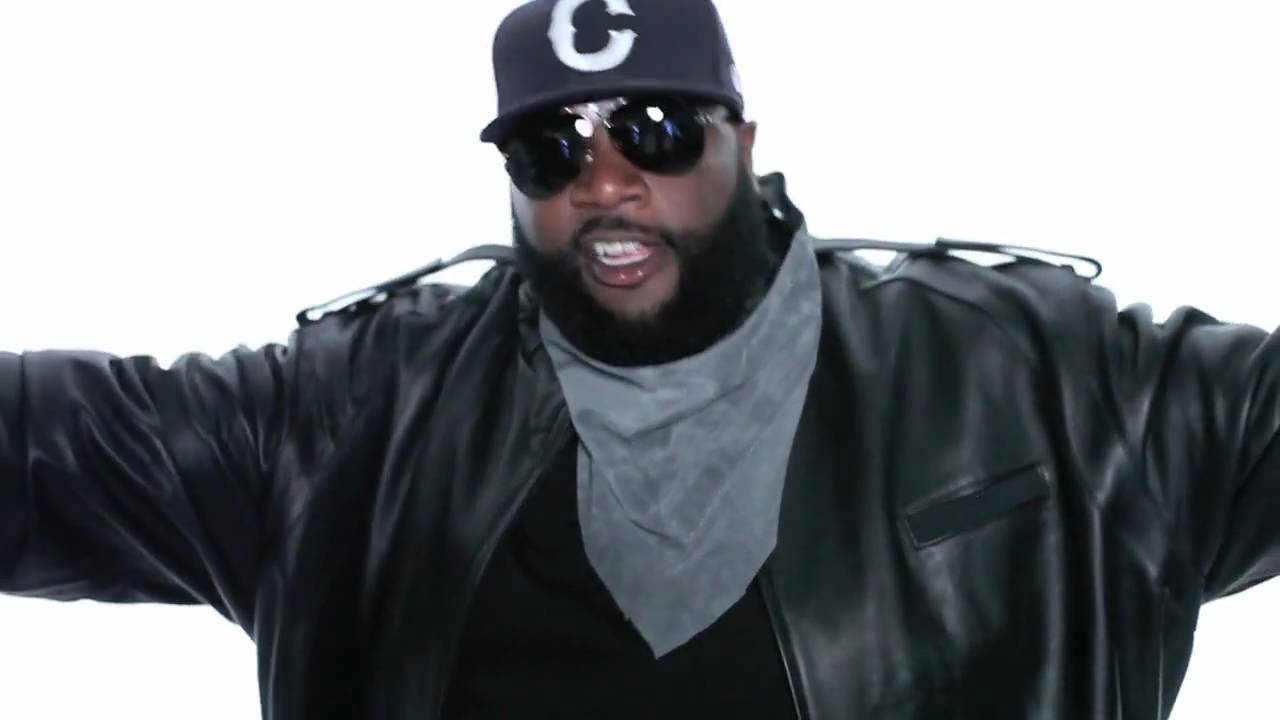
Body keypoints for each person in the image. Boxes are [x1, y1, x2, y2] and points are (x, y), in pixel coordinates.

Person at [1, 0, 1277, 717]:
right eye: (549, 149)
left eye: (657, 130)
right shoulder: (357, 421)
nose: (605, 181)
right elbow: (44, 449)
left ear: (742, 140)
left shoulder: (1037, 377)